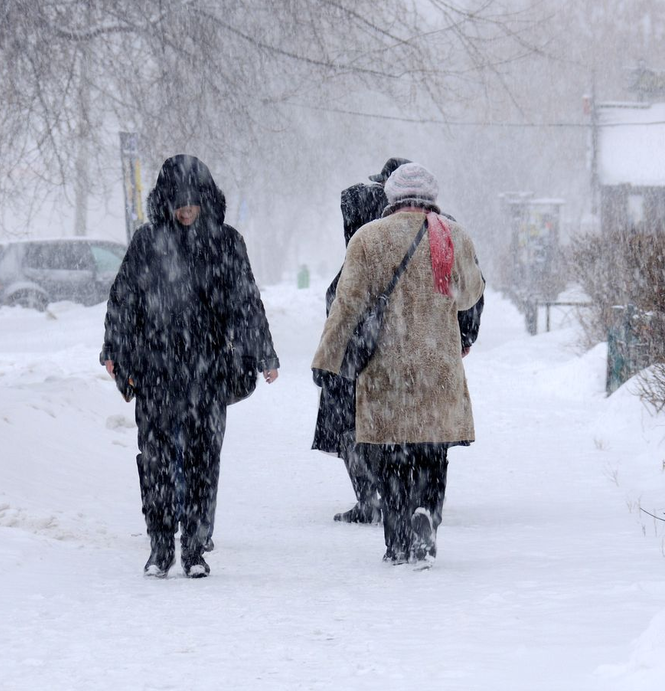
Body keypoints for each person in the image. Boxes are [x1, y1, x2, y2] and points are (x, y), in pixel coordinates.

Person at [101, 154, 279, 579]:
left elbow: (246, 303)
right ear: (165, 201)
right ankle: (160, 546)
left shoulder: (226, 242)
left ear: (206, 200)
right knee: (157, 462)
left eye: (193, 202)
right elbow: (124, 300)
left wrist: (264, 353)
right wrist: (114, 349)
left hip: (208, 370)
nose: (186, 211)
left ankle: (195, 548)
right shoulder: (147, 243)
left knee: (203, 460)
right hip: (156, 370)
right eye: (178, 203)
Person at [311, 163, 484, 567]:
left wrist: (328, 358)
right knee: (432, 453)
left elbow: (347, 306)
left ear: (391, 196)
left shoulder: (369, 238)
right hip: (436, 366)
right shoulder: (451, 234)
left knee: (392, 458)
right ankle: (426, 517)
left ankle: (398, 540)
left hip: (386, 371)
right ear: (431, 196)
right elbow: (470, 294)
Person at [312, 157, 409, 525]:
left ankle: (373, 497)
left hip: (357, 360)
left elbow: (345, 306)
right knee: (364, 430)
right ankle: (383, 496)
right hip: (367, 357)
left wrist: (329, 356)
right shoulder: (379, 243)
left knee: (354, 430)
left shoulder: (365, 248)